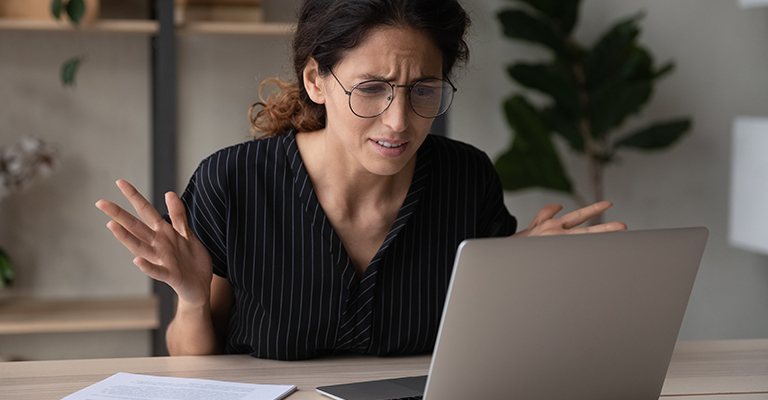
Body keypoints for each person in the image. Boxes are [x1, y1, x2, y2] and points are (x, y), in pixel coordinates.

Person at [96, 0, 626, 361]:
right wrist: (190, 298)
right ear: (316, 81)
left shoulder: (466, 179)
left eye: (424, 89)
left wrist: (518, 264)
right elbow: (194, 366)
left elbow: (485, 352)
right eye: (371, 88)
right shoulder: (234, 183)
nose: (399, 121)